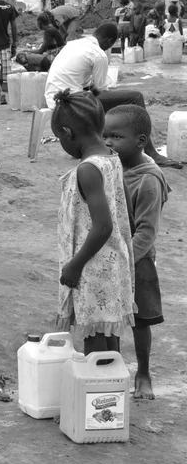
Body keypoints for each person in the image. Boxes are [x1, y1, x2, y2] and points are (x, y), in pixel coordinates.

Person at [53, 89, 134, 355]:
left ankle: (98, 391)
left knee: (94, 335)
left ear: (67, 132)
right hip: (112, 261)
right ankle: (112, 386)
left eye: (58, 139)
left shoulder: (88, 169)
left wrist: (75, 265)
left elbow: (102, 226)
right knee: (106, 329)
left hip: (94, 265)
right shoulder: (112, 158)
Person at [45, 22, 181, 167]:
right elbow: (100, 90)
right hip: (72, 101)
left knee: (109, 99)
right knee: (135, 97)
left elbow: (85, 84)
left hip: (54, 96)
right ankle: (151, 153)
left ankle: (104, 142)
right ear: (110, 41)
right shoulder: (98, 54)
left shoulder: (74, 44)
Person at [103, 105, 169, 400]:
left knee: (141, 320)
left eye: (116, 137)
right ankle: (114, 371)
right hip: (110, 257)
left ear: (141, 141)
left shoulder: (148, 179)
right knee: (111, 317)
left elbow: (146, 232)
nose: (108, 143)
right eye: (105, 136)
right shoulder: (112, 168)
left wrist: (125, 260)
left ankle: (143, 373)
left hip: (138, 261)